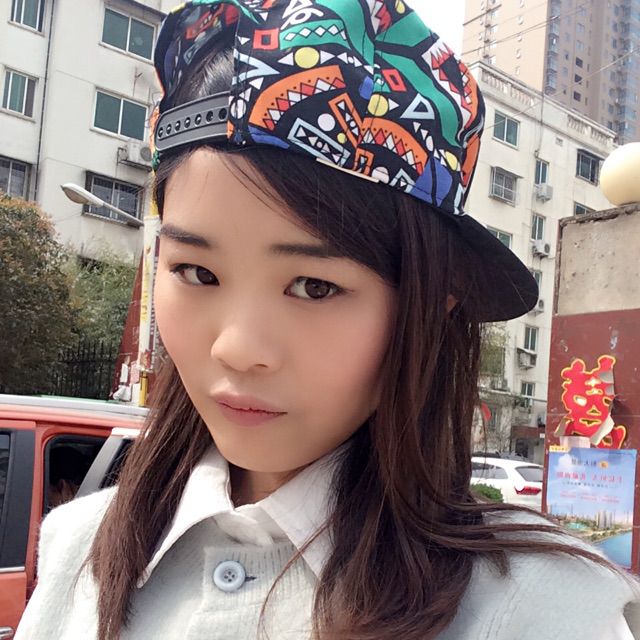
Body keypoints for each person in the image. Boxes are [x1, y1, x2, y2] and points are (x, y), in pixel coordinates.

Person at [16, 2, 640, 639]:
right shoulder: (80, 551)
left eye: (313, 287)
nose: (237, 348)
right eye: (196, 273)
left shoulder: (544, 608)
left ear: (432, 305)